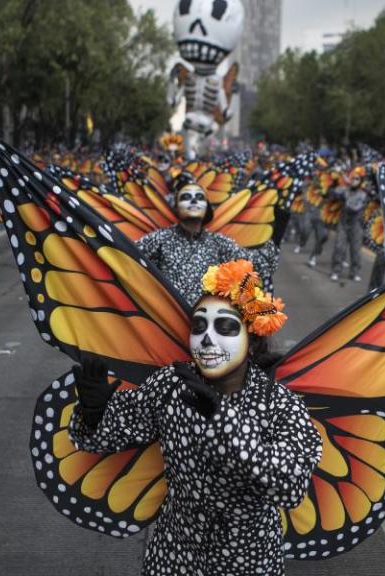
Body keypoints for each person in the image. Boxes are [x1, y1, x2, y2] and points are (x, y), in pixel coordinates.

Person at [68, 259, 322, 575]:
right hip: (174, 553)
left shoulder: (279, 403)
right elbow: (115, 432)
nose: (206, 338)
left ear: (252, 339)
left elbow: (290, 486)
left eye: (225, 327)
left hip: (248, 560)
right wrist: (94, 412)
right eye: (199, 326)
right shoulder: (172, 383)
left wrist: (224, 421)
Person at [135, 179, 278, 305]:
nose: (193, 201)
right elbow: (124, 257)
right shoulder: (160, 239)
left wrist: (278, 226)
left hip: (205, 325)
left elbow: (258, 264)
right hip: (171, 322)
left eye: (199, 197)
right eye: (186, 197)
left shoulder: (218, 242)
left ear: (206, 207)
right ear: (176, 208)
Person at [330, 173, 367, 282]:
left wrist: (344, 197)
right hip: (343, 223)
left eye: (357, 178)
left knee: (355, 250)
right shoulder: (345, 190)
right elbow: (331, 192)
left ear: (360, 181)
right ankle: (336, 271)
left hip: (356, 224)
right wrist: (335, 180)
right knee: (339, 247)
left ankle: (354, 272)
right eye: (352, 178)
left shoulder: (362, 194)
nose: (354, 180)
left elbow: (354, 208)